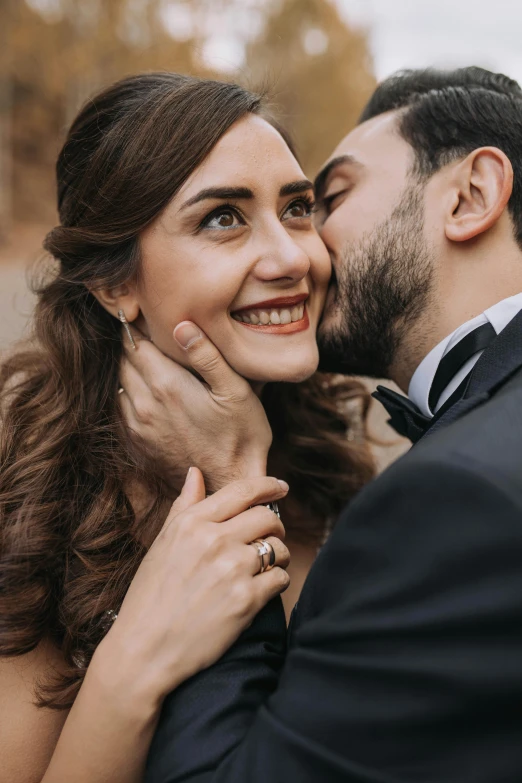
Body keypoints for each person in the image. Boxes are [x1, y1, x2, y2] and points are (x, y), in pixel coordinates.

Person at [130, 67, 522, 782]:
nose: (299, 255)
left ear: (469, 197)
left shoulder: (455, 499)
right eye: (226, 217)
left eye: (320, 200)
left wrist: (234, 483)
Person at [0, 73, 376, 782]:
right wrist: (136, 658)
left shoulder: (334, 463)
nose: (293, 256)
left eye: (297, 209)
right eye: (222, 218)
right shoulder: (30, 505)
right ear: (116, 283)